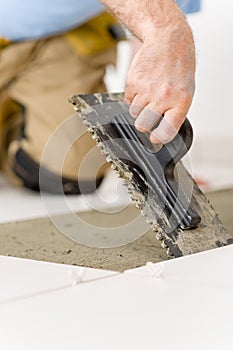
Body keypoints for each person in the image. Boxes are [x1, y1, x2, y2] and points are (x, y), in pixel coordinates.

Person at [0, 0, 200, 194]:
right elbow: (161, 29)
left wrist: (148, 153)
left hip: (60, 38)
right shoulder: (167, 25)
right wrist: (165, 29)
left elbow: (150, 52)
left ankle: (12, 118)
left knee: (71, 169)